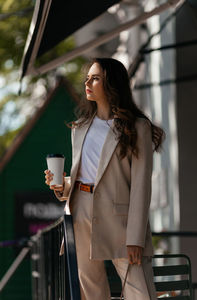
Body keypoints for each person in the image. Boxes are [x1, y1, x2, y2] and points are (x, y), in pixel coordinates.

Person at [44, 57, 164, 300]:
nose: (87, 82)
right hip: (80, 214)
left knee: (140, 292)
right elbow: (84, 177)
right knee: (91, 291)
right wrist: (61, 185)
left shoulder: (136, 127)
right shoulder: (79, 128)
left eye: (95, 78)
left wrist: (135, 238)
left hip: (120, 218)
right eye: (87, 77)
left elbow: (141, 186)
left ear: (112, 83)